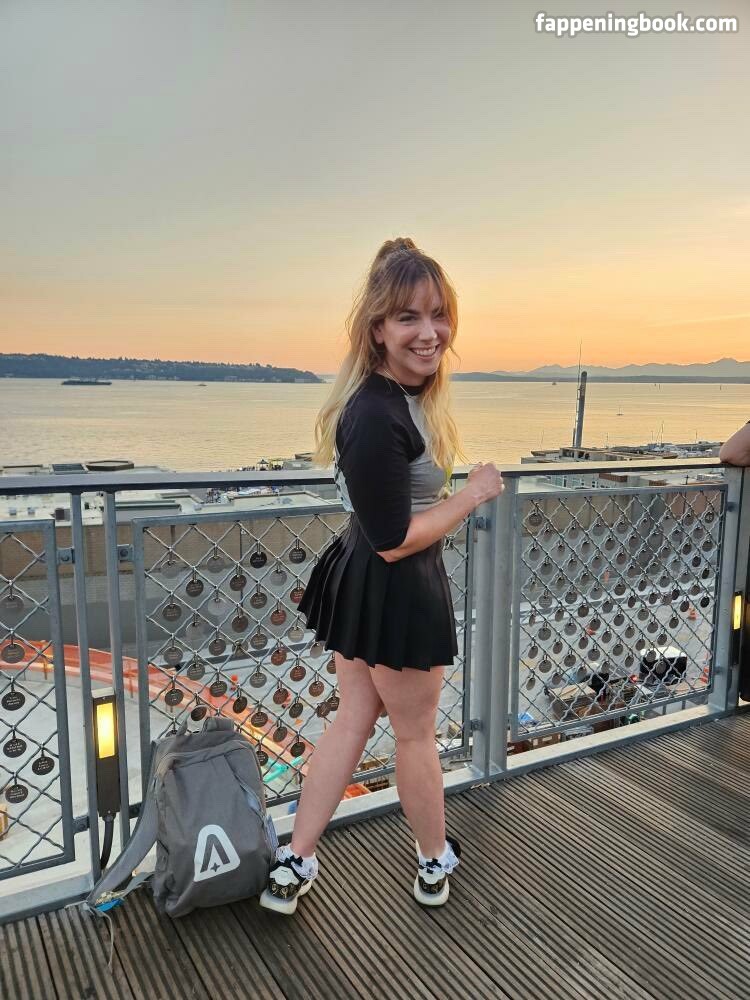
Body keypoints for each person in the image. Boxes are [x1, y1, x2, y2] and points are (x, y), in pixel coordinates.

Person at [259, 237, 504, 914]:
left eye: (438, 315)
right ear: (377, 329)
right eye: (408, 317)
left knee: (352, 721)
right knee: (414, 735)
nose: (429, 332)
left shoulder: (400, 397)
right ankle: (433, 859)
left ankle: (297, 858)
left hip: (363, 582)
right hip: (394, 587)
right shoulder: (376, 412)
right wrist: (474, 493)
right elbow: (395, 541)